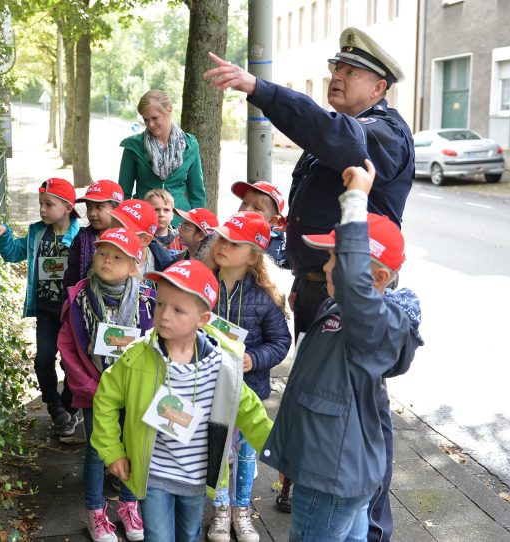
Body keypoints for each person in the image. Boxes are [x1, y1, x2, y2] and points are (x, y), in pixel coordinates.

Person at [205, 28, 415, 538]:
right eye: (334, 69)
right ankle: (310, 476)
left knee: (363, 412)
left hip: (353, 291)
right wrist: (303, 275)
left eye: (350, 72)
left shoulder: (381, 132)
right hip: (321, 286)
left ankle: (369, 527)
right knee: (321, 393)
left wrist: (262, 89)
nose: (336, 77)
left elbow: (334, 137)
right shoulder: (351, 127)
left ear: (380, 87)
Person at [259, 160, 423, 542]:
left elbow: (354, 287)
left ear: (378, 278)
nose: (327, 264)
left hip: (332, 475)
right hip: (333, 465)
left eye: (338, 257)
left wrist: (355, 201)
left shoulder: (375, 325)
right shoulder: (342, 309)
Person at [91, 260, 274, 542]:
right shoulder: (138, 355)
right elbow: (106, 398)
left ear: (202, 319)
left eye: (178, 310)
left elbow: (251, 413)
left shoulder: (222, 367)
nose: (164, 315)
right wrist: (112, 450)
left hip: (197, 478)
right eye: (161, 304)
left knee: (188, 535)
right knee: (158, 537)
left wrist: (282, 454)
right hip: (153, 474)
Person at [57, 227, 154, 542]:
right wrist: (88, 387)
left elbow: (155, 346)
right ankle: (95, 512)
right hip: (94, 391)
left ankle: (129, 504)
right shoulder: (79, 299)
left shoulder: (146, 301)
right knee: (98, 452)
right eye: (102, 253)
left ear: (133, 265)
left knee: (131, 447)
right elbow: (68, 347)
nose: (107, 261)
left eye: (117, 257)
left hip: (132, 392)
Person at [204, 212, 292, 542]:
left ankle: (242, 512)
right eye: (222, 238)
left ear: (254, 255)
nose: (223, 245)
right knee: (217, 449)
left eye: (234, 243)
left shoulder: (265, 297)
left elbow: (282, 342)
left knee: (244, 453)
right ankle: (220, 511)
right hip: (209, 389)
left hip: (248, 391)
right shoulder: (202, 285)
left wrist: (253, 359)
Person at [0, 177, 80, 436]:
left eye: (49, 204)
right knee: (44, 360)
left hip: (73, 312)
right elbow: (13, 253)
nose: (42, 209)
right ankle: (54, 406)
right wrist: (4, 236)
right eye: (40, 204)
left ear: (68, 207)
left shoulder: (81, 235)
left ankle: (71, 407)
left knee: (73, 363)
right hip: (46, 311)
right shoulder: (38, 232)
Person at [119, 90, 206, 226]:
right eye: (146, 119)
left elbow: (197, 193)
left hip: (180, 221)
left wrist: (198, 225)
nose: (150, 125)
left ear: (169, 110)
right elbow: (124, 193)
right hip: (143, 220)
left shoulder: (190, 145)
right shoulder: (134, 146)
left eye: (154, 118)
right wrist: (125, 223)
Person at [63, 179, 125, 291]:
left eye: (99, 207)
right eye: (89, 207)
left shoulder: (129, 239)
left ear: (117, 208)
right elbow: (71, 276)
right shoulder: (82, 239)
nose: (92, 213)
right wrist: (69, 304)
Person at [107, 198, 173, 278]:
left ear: (145, 240)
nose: (114, 235)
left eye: (123, 232)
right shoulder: (101, 256)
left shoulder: (165, 267)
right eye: (112, 228)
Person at [230, 181, 287, 268]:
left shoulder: (272, 246)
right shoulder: (231, 225)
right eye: (244, 202)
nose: (246, 209)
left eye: (256, 208)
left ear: (272, 220)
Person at [145, 188, 185, 256]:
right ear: (146, 213)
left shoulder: (181, 239)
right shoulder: (142, 238)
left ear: (172, 214)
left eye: (166, 210)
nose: (161, 214)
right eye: (156, 209)